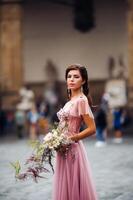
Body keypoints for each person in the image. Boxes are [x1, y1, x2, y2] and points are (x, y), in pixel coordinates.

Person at [52, 64, 98, 200]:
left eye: (76, 77)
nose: (71, 79)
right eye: (69, 76)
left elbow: (92, 129)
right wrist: (55, 139)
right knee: (64, 186)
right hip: (62, 149)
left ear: (83, 80)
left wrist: (70, 139)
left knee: (74, 187)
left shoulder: (81, 101)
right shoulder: (70, 101)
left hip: (72, 149)